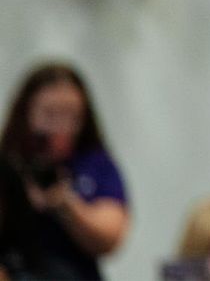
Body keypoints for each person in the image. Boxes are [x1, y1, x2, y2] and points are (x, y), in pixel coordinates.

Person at [0, 63, 130, 280]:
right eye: (50, 114)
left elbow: (111, 236)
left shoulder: (95, 164)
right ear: (26, 112)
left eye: (73, 116)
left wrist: (65, 204)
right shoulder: (8, 163)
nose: (61, 126)